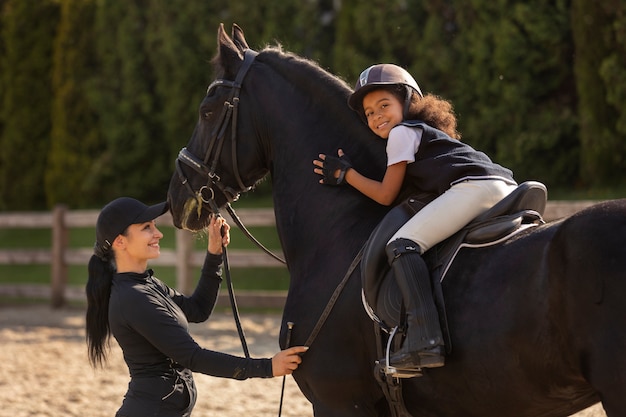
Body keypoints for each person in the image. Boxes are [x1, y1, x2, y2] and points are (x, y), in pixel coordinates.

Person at [313, 64, 517, 377]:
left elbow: (385, 195)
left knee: (401, 244)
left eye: (384, 106)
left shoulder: (401, 134)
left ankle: (425, 341)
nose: (377, 117)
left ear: (407, 103)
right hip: (503, 186)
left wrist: (346, 174)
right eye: (368, 113)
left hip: (475, 188)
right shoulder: (421, 137)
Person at [85, 197, 307, 416]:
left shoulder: (146, 285)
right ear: (120, 242)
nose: (158, 233)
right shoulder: (134, 298)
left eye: (154, 226)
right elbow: (193, 357)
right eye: (146, 228)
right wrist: (268, 367)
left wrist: (214, 254)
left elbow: (198, 309)